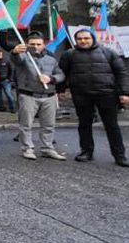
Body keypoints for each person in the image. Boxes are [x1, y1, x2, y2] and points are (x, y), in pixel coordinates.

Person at [59, 29, 128, 166]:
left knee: (112, 126)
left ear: (93, 38)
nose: (83, 41)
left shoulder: (108, 53)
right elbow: (62, 73)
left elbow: (121, 73)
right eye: (80, 39)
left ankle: (120, 156)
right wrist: (60, 90)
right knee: (84, 124)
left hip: (107, 94)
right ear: (75, 40)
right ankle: (86, 152)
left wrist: (125, 93)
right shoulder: (69, 55)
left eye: (86, 38)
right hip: (81, 95)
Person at [11, 32, 66, 161]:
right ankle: (27, 149)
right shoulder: (23, 56)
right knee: (26, 125)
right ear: (26, 44)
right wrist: (14, 52)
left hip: (49, 96)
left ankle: (47, 148)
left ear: (43, 44)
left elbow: (61, 75)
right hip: (28, 95)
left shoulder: (51, 58)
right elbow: (15, 60)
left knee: (48, 125)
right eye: (32, 44)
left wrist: (51, 78)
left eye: (38, 44)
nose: (35, 46)